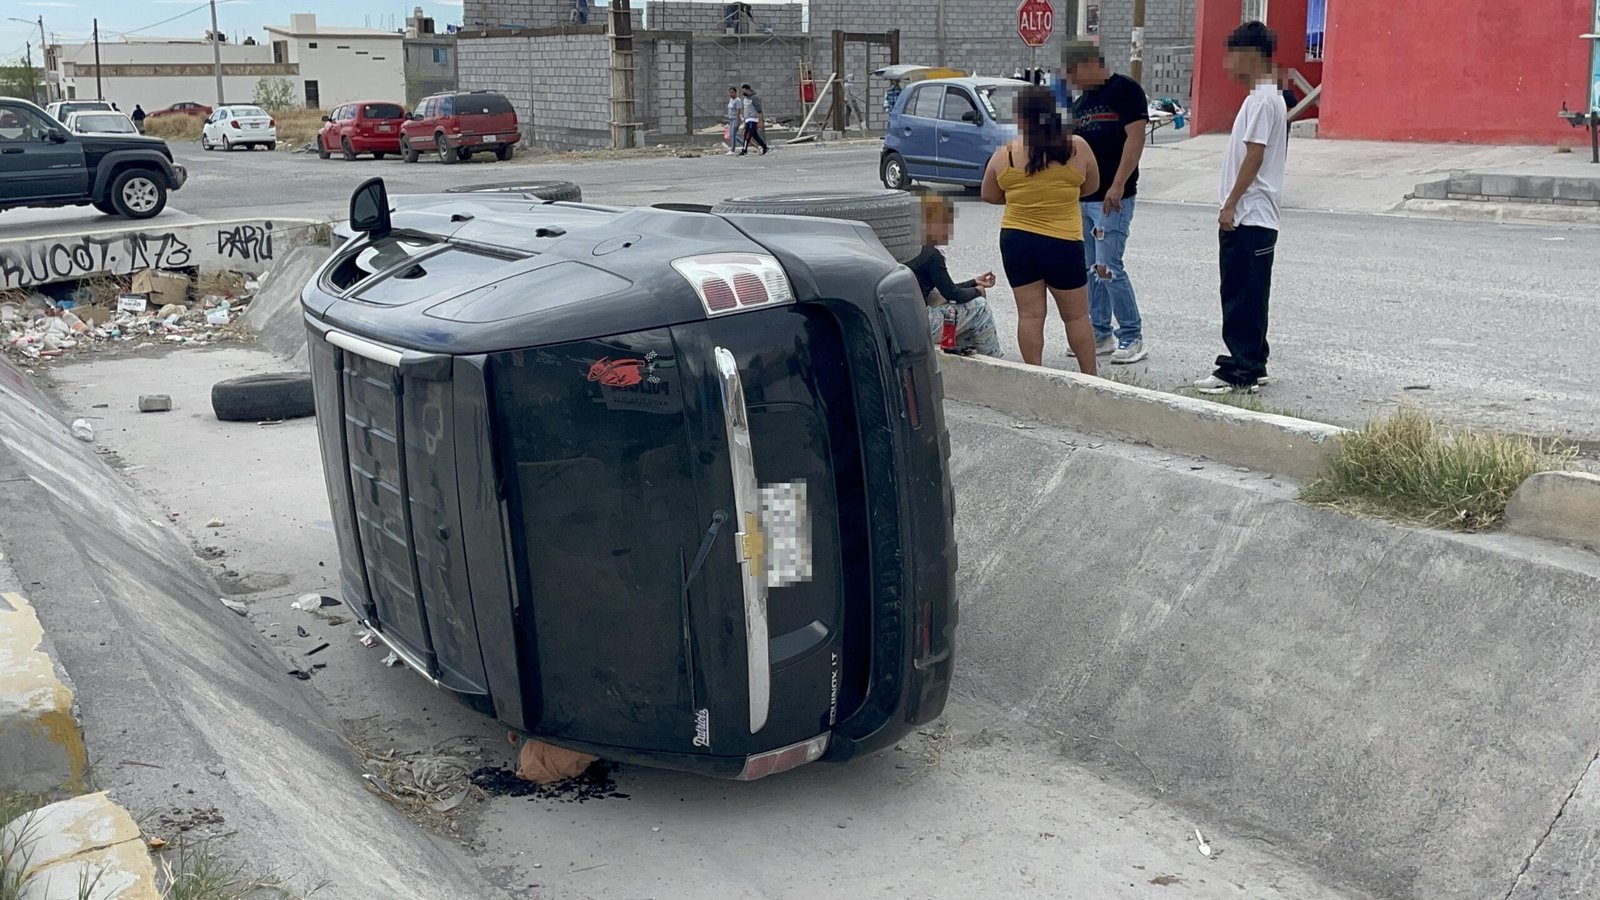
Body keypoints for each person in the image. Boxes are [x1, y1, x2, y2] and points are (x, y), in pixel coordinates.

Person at [1194, 21, 1288, 395]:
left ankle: (1241, 369)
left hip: (1250, 215)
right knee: (1250, 292)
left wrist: (1230, 204)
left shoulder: (1262, 100)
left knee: (1239, 294)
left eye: (1230, 55)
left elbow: (1254, 155)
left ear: (1250, 55)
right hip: (1256, 217)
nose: (1226, 64)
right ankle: (1253, 361)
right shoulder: (1266, 98)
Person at [980, 84, 1100, 374]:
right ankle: (1091, 378)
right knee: (1077, 317)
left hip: (1018, 241)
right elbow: (1092, 186)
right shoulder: (1077, 147)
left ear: (1020, 117)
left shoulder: (1005, 155)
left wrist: (1023, 195)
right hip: (1064, 242)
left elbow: (989, 195)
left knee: (1030, 316)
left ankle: (1035, 376)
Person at [1062, 40, 1149, 365]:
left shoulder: (1125, 90)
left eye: (1075, 74)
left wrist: (1118, 183)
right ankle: (1100, 333)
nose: (1074, 82)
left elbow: (1135, 139)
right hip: (1084, 200)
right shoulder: (1082, 103)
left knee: (1108, 267)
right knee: (1089, 269)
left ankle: (1132, 335)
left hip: (1114, 198)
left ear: (1089, 64)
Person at [905, 190, 1001, 357]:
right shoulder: (931, 255)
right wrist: (978, 291)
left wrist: (973, 282)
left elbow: (944, 288)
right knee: (980, 308)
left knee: (963, 307)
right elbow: (952, 293)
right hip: (920, 324)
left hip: (900, 320)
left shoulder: (905, 248)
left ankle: (964, 352)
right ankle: (995, 360)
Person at [737, 84, 768, 156]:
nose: (743, 93)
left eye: (744, 91)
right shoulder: (745, 99)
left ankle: (744, 150)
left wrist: (760, 121)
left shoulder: (754, 98)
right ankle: (765, 147)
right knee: (755, 135)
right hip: (747, 119)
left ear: (748, 90)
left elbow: (759, 111)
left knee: (747, 135)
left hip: (753, 119)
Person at [724, 87, 743, 154]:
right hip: (731, 119)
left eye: (732, 92)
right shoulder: (731, 100)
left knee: (733, 134)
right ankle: (744, 144)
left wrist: (738, 122)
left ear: (735, 92)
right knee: (732, 134)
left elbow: (738, 112)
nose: (731, 94)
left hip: (735, 118)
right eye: (730, 92)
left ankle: (732, 150)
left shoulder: (738, 100)